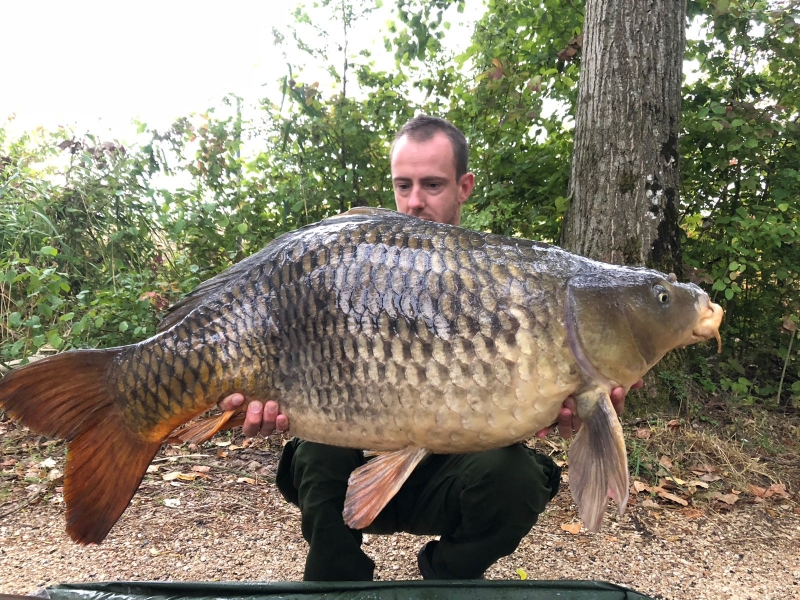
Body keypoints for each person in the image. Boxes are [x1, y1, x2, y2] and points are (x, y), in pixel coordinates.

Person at [218, 115, 637, 580]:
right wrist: (252, 406)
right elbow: (268, 340)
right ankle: (334, 584)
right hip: (350, 472)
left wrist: (568, 409)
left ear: (465, 186)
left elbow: (534, 405)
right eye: (404, 185)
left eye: (432, 185)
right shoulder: (350, 267)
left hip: (450, 479)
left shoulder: (508, 282)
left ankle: (446, 581)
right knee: (316, 451)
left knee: (516, 478)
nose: (414, 202)